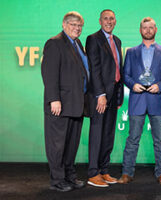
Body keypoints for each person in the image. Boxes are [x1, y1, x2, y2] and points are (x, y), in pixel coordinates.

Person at [118, 17, 161, 185]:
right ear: (140, 30)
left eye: (151, 27)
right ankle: (127, 173)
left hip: (157, 100)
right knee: (132, 139)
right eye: (145, 27)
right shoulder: (131, 52)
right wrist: (132, 84)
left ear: (156, 29)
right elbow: (125, 75)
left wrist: (160, 86)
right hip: (137, 101)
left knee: (160, 140)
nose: (148, 30)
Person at [41, 11, 90, 192]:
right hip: (60, 104)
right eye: (73, 24)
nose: (77, 28)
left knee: (71, 145)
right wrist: (54, 99)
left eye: (79, 26)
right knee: (57, 145)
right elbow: (49, 74)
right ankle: (57, 180)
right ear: (64, 24)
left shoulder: (77, 43)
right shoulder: (55, 43)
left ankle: (70, 176)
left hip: (77, 104)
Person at [85, 9, 124, 187]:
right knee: (97, 133)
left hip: (114, 95)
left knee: (108, 134)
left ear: (115, 21)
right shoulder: (93, 39)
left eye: (112, 19)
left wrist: (118, 95)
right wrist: (100, 95)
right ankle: (93, 173)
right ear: (100, 21)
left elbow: (118, 69)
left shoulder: (117, 40)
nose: (109, 21)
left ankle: (104, 170)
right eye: (106, 19)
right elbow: (94, 69)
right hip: (100, 96)